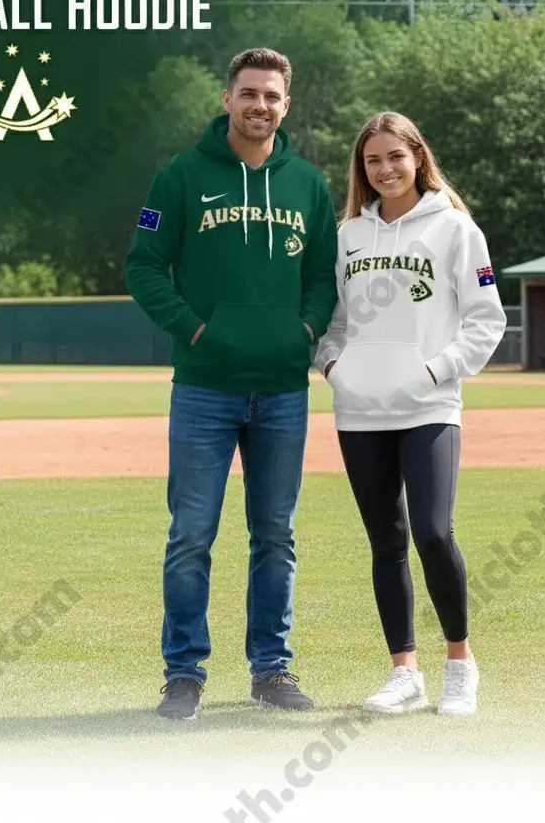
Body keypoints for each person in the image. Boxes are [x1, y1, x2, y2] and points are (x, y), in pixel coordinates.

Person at [125, 48, 338, 720]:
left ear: (286, 105)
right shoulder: (181, 178)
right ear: (226, 98)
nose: (260, 105)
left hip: (280, 389)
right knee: (191, 531)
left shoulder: (307, 183)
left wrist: (303, 333)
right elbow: (144, 266)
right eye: (249, 93)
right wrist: (193, 330)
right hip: (205, 386)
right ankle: (183, 674)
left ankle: (271, 670)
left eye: (272, 96)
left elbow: (323, 278)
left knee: (275, 534)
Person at [314, 111, 506, 716]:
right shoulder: (347, 236)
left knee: (431, 530)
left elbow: (486, 319)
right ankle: (404, 673)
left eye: (396, 156)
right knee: (386, 540)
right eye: (373, 160)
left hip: (429, 406)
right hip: (359, 412)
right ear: (362, 170)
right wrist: (335, 367)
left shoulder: (455, 229)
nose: (385, 169)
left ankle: (460, 664)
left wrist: (432, 371)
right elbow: (331, 322)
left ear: (417, 157)